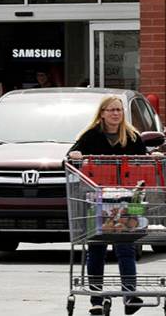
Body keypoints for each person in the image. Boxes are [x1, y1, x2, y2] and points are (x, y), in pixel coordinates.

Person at [69, 96, 154, 316]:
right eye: (111, 110)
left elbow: (144, 159)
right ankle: (96, 300)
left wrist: (153, 156)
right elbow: (70, 157)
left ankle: (130, 296)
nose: (116, 114)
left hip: (126, 199)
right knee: (97, 249)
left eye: (119, 110)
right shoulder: (91, 136)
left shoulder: (132, 137)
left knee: (125, 248)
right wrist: (74, 155)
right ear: (102, 113)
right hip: (98, 200)